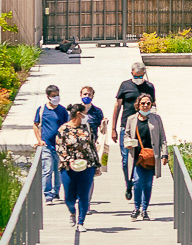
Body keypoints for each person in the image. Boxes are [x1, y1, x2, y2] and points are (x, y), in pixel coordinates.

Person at [112, 62, 156, 201]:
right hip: (127, 127)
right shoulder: (125, 86)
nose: (139, 78)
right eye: (137, 76)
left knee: (141, 157)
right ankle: (129, 184)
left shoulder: (149, 87)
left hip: (144, 127)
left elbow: (153, 106)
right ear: (132, 73)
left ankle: (139, 185)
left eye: (142, 75)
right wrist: (113, 128)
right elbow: (117, 106)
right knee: (126, 160)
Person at [56, 104, 101, 232]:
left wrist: (97, 165)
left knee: (84, 194)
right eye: (84, 114)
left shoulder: (87, 128)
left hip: (87, 165)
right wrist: (69, 160)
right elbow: (60, 147)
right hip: (69, 167)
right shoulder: (63, 129)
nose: (87, 116)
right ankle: (72, 212)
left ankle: (81, 222)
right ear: (78, 114)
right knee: (69, 197)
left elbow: (92, 146)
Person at [123, 94, 168, 221]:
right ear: (138, 104)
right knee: (137, 182)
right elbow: (126, 134)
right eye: (143, 103)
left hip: (151, 157)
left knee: (148, 184)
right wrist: (127, 141)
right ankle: (136, 208)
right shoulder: (132, 119)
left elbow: (162, 138)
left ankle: (144, 210)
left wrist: (164, 154)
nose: (145, 105)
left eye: (148, 103)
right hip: (137, 156)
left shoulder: (156, 119)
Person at [33, 84, 69, 205]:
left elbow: (67, 126)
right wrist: (39, 140)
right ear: (48, 97)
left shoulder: (62, 110)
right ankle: (48, 195)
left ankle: (56, 191)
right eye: (54, 96)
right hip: (47, 146)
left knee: (58, 170)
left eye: (57, 95)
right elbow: (35, 124)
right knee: (47, 170)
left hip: (59, 146)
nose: (56, 98)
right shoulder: (42, 110)